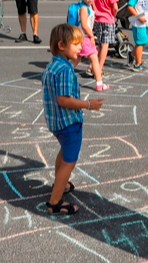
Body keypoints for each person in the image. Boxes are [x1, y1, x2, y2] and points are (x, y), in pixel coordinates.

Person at [41, 24, 103, 216]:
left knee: (64, 152)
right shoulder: (65, 71)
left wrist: (76, 56)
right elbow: (64, 99)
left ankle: (61, 183)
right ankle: (54, 202)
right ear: (61, 45)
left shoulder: (53, 65)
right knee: (69, 161)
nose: (80, 48)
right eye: (76, 44)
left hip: (56, 122)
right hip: (69, 123)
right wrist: (89, 105)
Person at [70, 0, 107, 90]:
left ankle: (62, 73)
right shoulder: (83, 8)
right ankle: (99, 83)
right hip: (84, 37)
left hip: (80, 37)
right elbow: (84, 24)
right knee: (94, 58)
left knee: (76, 59)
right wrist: (91, 36)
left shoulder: (88, 7)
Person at [91, 0, 120, 79]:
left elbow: (91, 2)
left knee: (99, 43)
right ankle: (99, 68)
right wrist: (114, 15)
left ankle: (92, 66)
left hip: (96, 19)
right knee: (105, 44)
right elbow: (115, 7)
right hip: (108, 19)